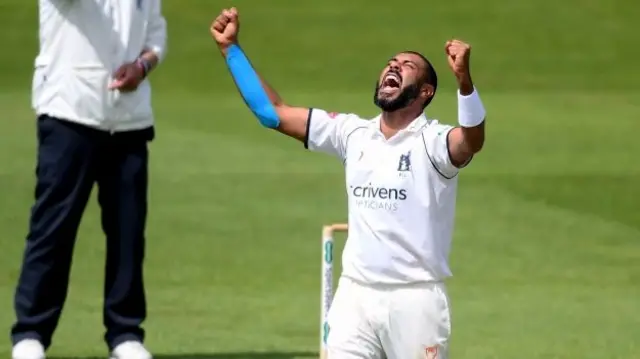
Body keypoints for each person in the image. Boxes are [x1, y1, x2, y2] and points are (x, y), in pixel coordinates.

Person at [211, 7, 487, 359]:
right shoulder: (352, 133)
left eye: (407, 66)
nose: (393, 67)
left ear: (425, 92)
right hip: (355, 297)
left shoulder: (433, 142)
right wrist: (230, 50)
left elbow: (472, 141)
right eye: (391, 62)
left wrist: (464, 82)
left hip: (415, 302)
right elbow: (272, 113)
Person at [11, 1, 167, 359]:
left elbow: (156, 32)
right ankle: (30, 333)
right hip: (69, 110)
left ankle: (125, 334)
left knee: (127, 231)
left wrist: (142, 66)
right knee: (53, 228)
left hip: (129, 119)